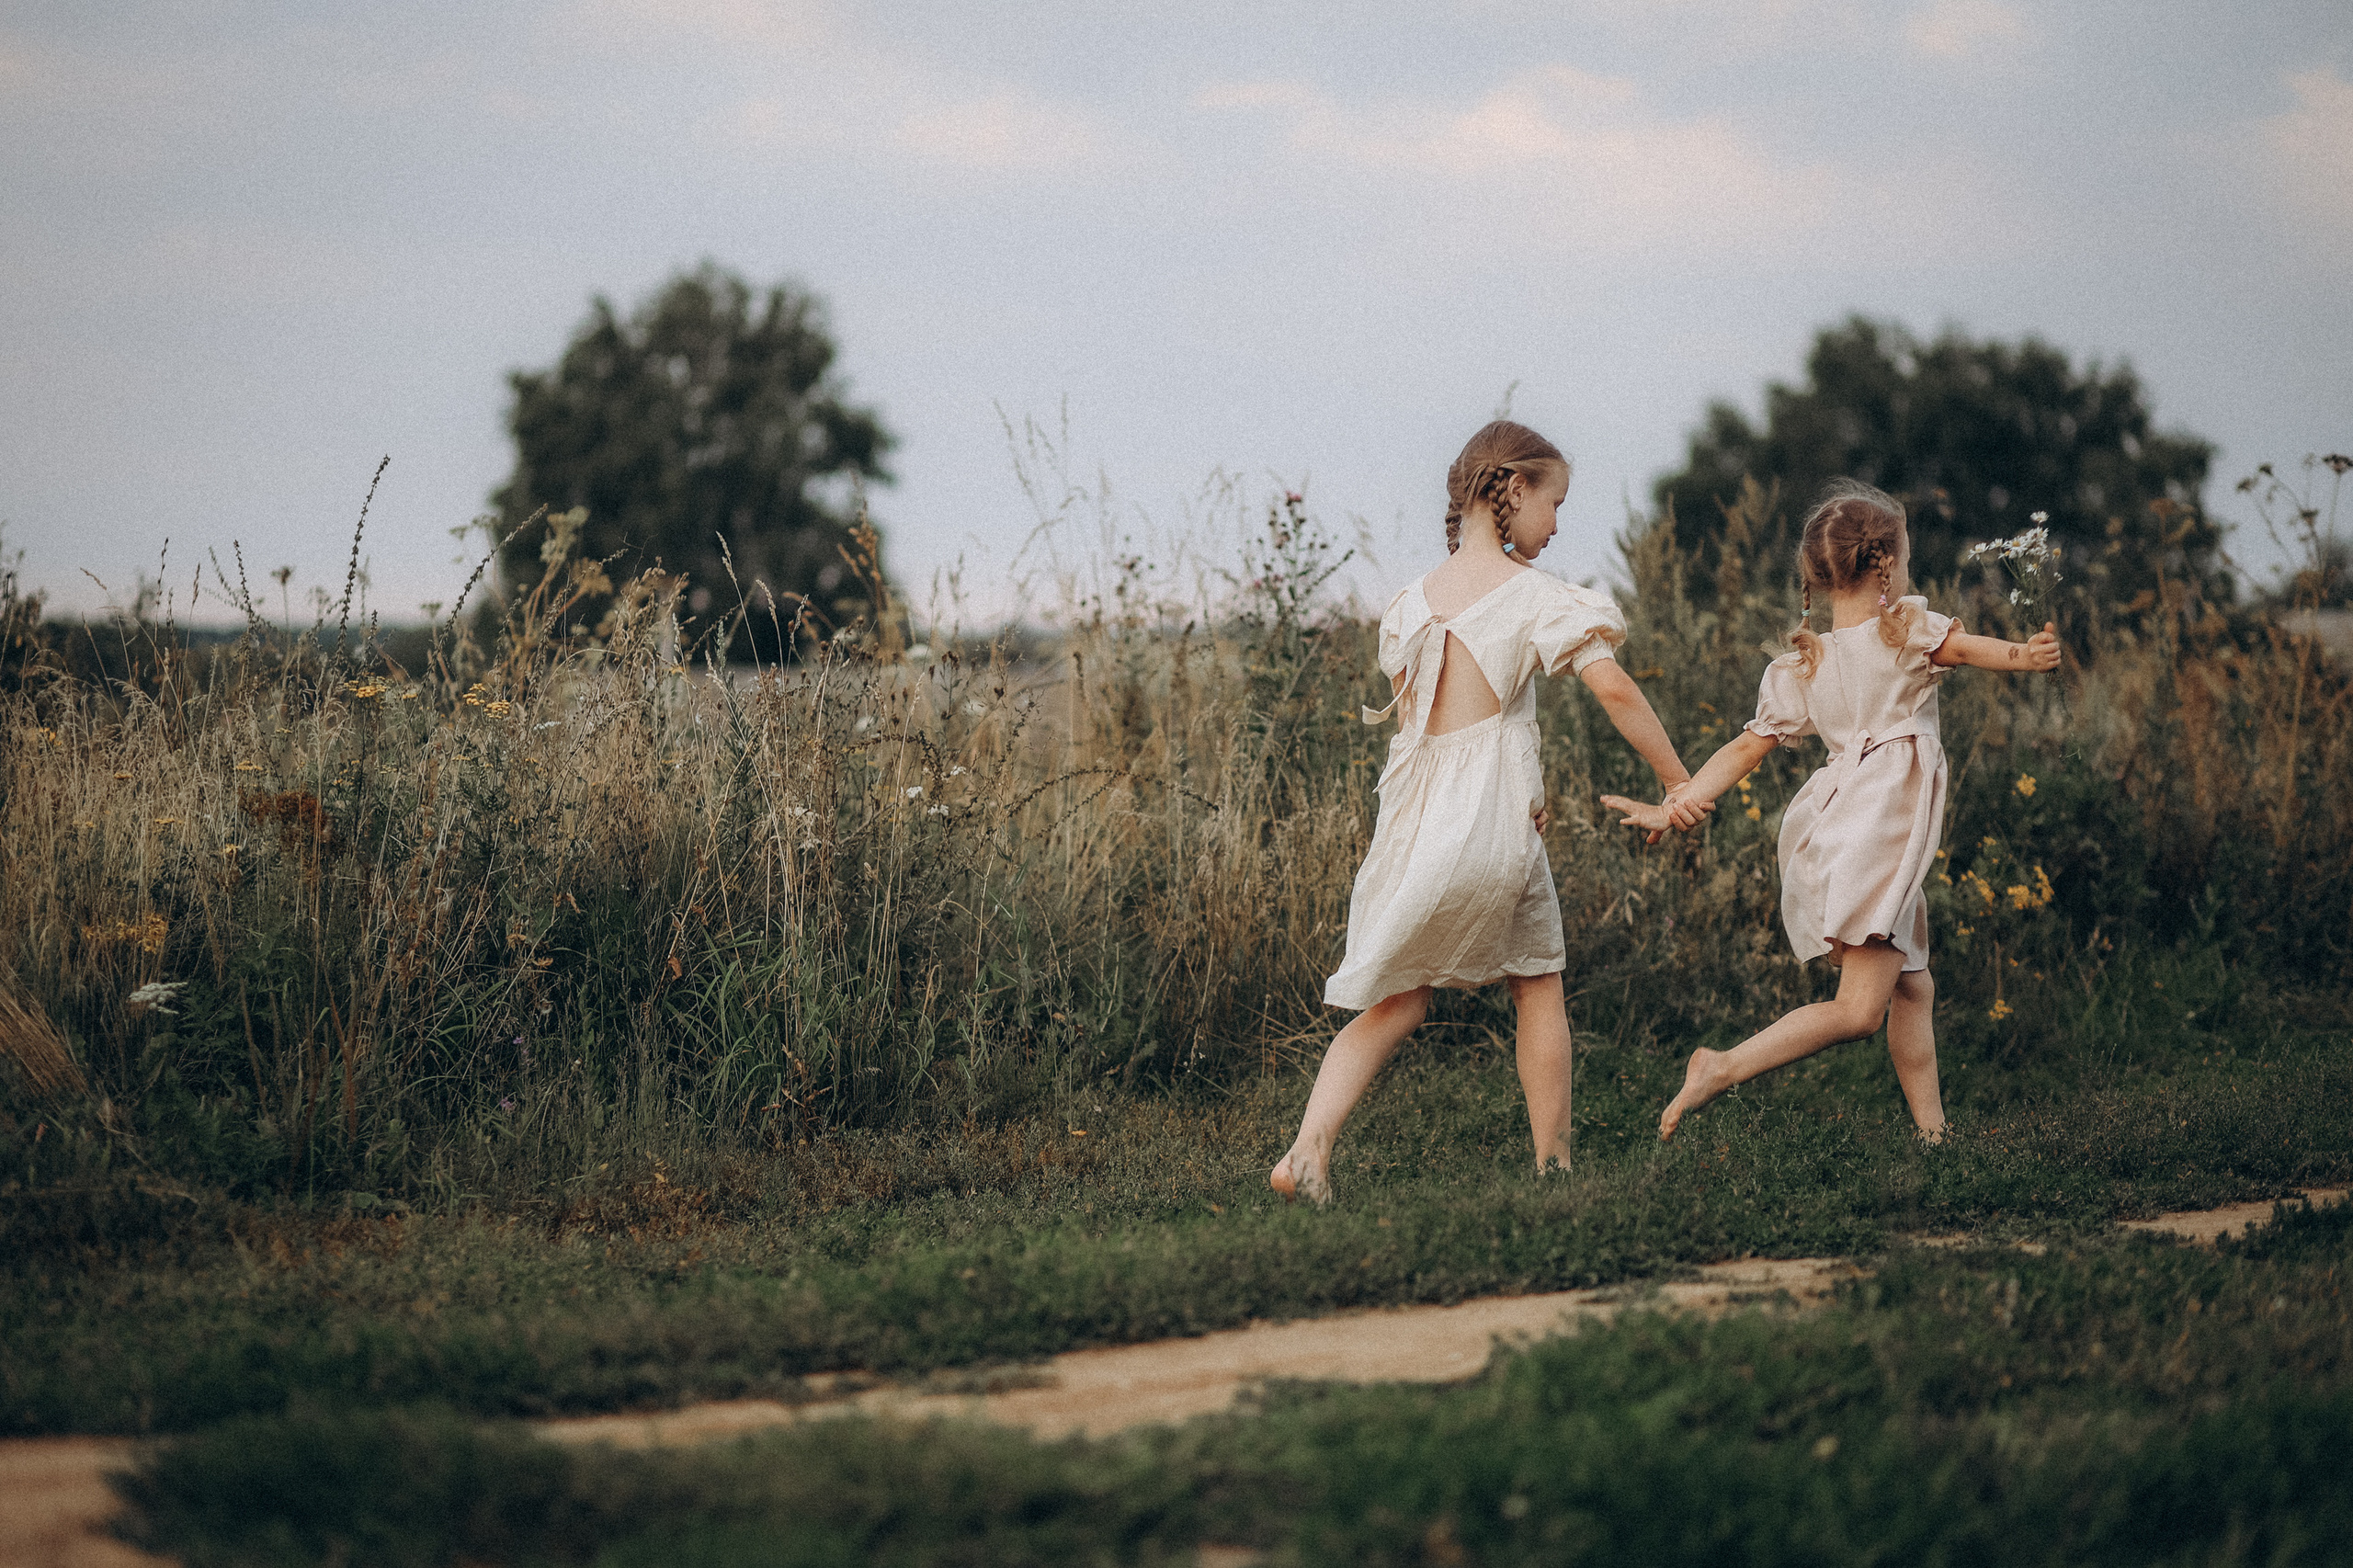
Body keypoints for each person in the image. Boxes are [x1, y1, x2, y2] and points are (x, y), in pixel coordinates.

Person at [1269, 421, 1699, 1206]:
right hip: (1491, 822)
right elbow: (1610, 687)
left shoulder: (1407, 604)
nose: (1559, 524)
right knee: (1538, 982)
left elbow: (1417, 736)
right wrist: (1678, 781)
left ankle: (1307, 1149)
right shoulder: (1534, 597)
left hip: (1412, 825)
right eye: (1556, 502)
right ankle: (1555, 1169)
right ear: (1515, 488)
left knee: (1398, 999)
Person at [1603, 479, 2062, 1142]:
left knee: (1913, 987)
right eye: (1904, 553)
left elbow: (1746, 747)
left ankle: (1937, 1140)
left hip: (1849, 826)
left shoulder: (1803, 663)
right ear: (1889, 565)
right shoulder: (1906, 632)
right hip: (1878, 833)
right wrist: (2028, 656)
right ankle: (1720, 1068)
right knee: (1856, 1013)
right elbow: (1969, 650)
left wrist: (1684, 797)